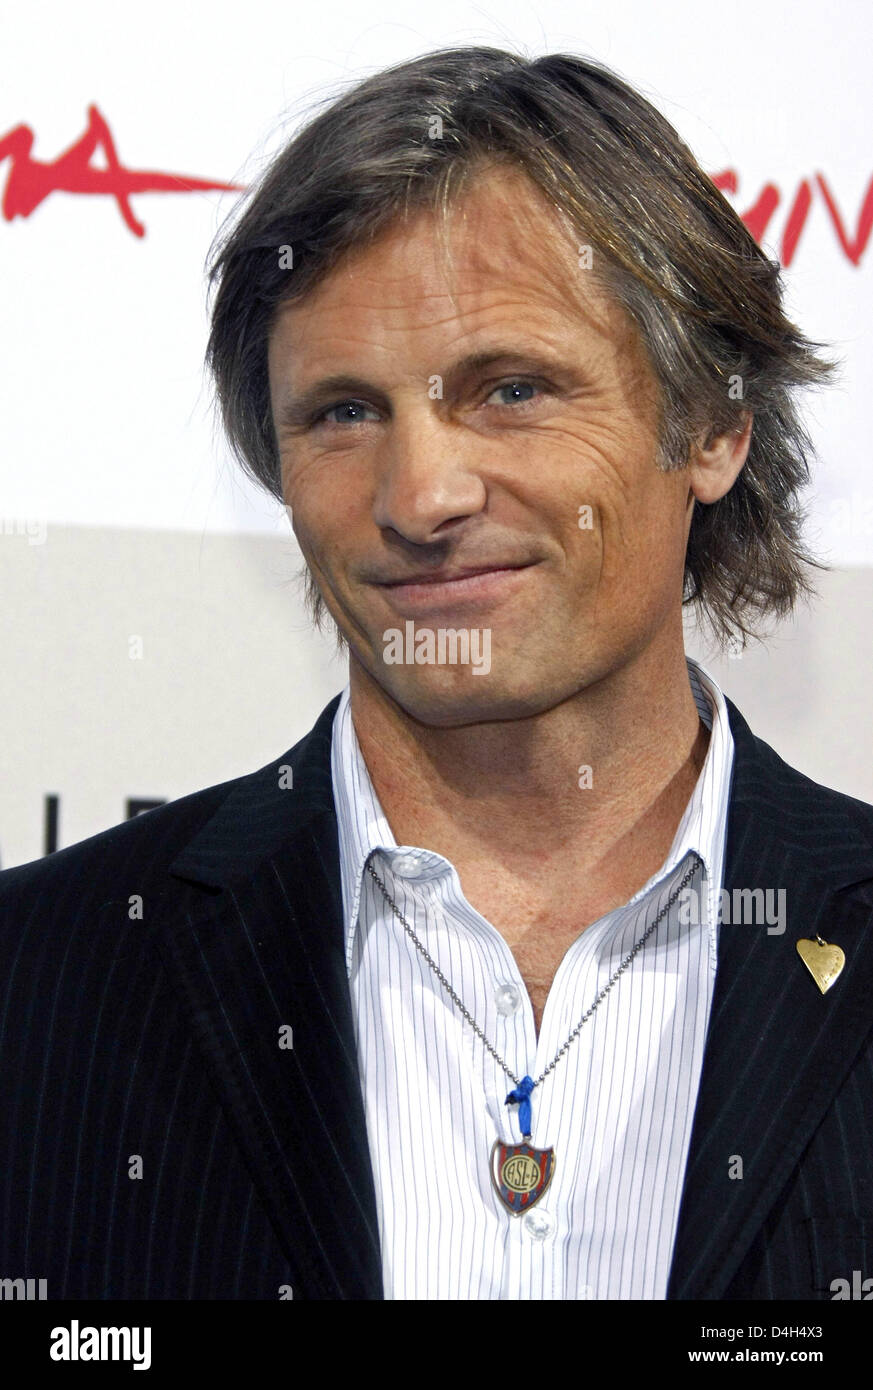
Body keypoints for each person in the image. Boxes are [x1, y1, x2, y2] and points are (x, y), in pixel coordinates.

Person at [2, 46, 872, 1302]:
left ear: (715, 425)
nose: (420, 498)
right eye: (344, 413)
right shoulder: (39, 985)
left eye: (511, 390)